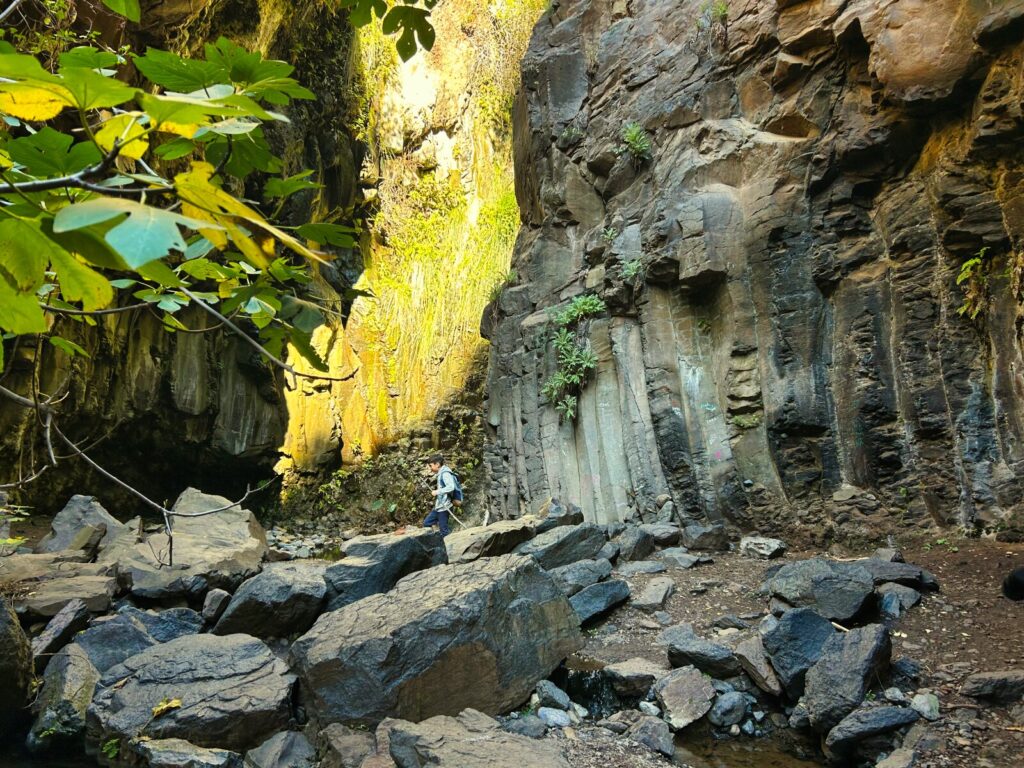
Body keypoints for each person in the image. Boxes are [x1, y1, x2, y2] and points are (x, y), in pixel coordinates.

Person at [423, 453, 455, 538]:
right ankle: (438, 539)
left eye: (431, 465)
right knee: (427, 523)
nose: (430, 468)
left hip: (445, 507)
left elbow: (451, 487)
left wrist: (437, 492)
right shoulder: (441, 473)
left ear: (437, 464)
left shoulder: (445, 473)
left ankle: (449, 548)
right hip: (439, 506)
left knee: (444, 530)